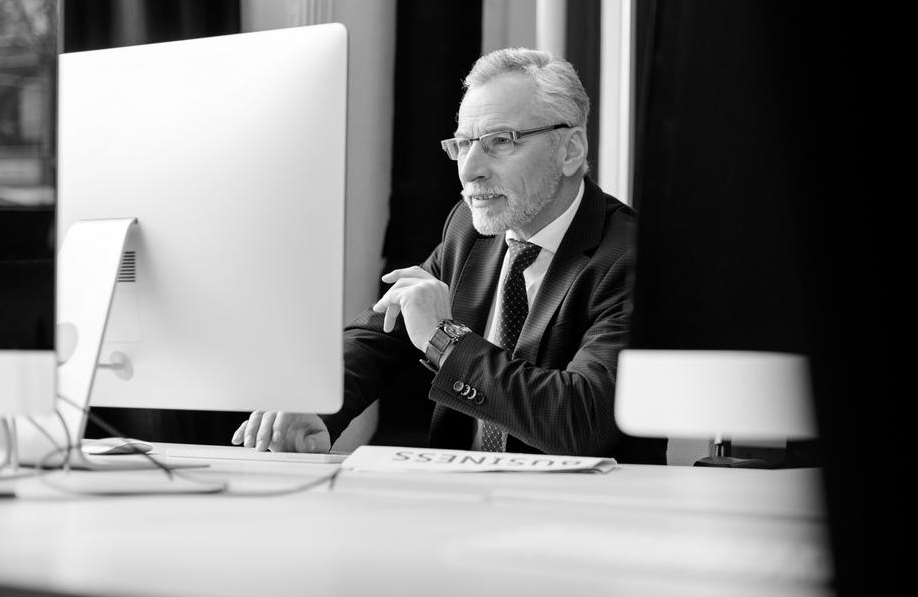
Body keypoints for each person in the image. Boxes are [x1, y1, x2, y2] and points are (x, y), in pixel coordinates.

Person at [232, 47, 666, 464]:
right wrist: (319, 402)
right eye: (463, 144)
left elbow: (582, 422)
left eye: (500, 141)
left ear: (570, 150)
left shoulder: (633, 259)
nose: (469, 169)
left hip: (585, 516)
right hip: (457, 498)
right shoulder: (470, 227)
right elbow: (390, 328)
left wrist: (444, 338)